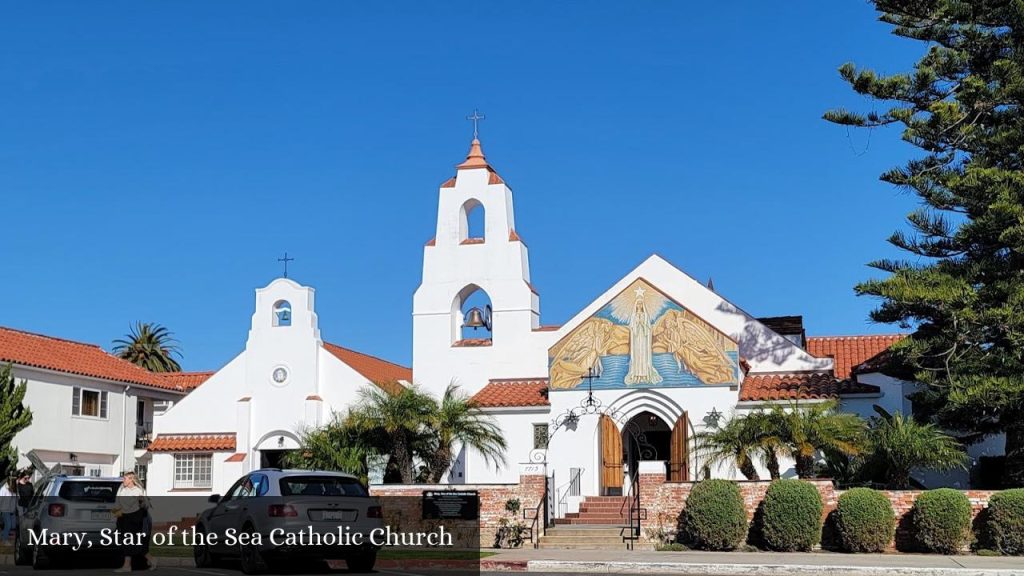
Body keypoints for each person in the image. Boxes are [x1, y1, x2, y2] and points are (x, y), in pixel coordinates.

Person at [114, 471, 155, 572]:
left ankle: (128, 565)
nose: (123, 480)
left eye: (125, 478)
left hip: (134, 518)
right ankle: (151, 560)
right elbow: (117, 503)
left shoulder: (138, 491)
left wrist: (141, 502)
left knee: (130, 541)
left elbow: (145, 505)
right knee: (127, 542)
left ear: (131, 479)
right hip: (123, 518)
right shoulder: (121, 488)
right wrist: (116, 517)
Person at [0, 477, 17, 545]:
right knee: (8, 525)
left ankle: (3, 534)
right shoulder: (3, 489)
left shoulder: (14, 490)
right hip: (4, 510)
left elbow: (15, 500)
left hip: (11, 510)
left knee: (13, 526)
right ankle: (5, 540)